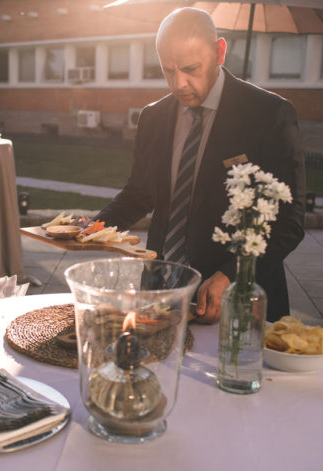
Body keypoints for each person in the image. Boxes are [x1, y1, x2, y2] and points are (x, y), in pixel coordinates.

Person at [96, 7, 305, 323]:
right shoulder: (153, 118)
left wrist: (227, 275)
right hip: (160, 290)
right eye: (168, 71)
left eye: (191, 69)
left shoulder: (270, 115)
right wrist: (94, 228)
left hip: (238, 298)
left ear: (220, 52)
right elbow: (139, 193)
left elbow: (289, 221)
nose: (179, 84)